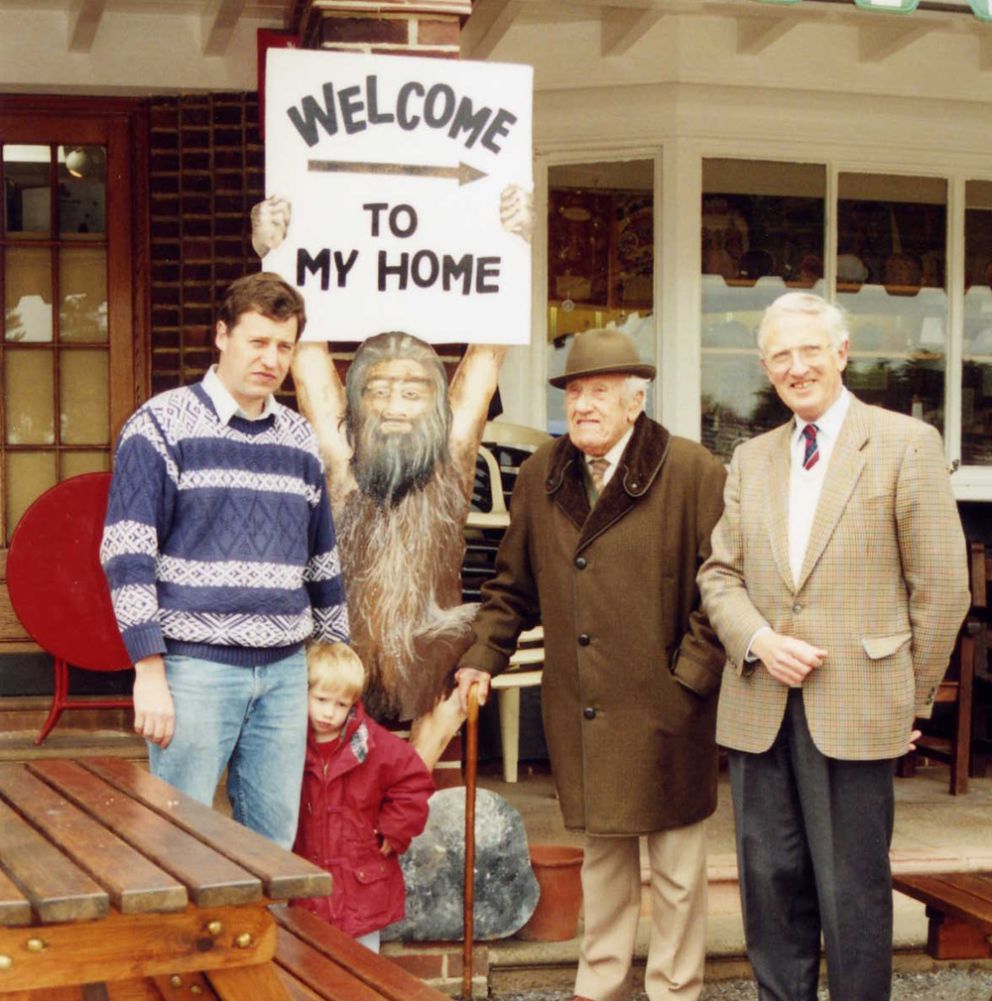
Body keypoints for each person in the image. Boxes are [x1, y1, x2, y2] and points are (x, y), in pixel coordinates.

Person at [697, 291, 970, 1001]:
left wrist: (909, 700)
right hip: (761, 705)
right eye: (780, 355)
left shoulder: (906, 444)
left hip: (859, 709)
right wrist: (757, 638)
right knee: (769, 887)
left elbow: (942, 589)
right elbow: (719, 574)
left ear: (841, 353)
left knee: (852, 896)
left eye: (809, 349)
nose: (796, 366)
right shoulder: (750, 458)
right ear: (765, 367)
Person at [454, 327, 727, 1001]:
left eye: (599, 392)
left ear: (635, 401)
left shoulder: (693, 472)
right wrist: (481, 655)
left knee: (676, 868)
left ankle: (674, 988)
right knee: (604, 857)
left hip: (667, 701)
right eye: (574, 391)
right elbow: (511, 585)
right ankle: (598, 982)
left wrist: (687, 680)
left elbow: (723, 588)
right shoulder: (544, 472)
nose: (582, 405)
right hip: (589, 700)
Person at [251, 194, 519, 767]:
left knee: (453, 660)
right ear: (358, 402)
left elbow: (487, 357)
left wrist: (511, 247)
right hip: (342, 643)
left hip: (431, 642)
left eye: (413, 391)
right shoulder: (341, 460)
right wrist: (277, 256)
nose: (395, 405)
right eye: (379, 391)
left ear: (437, 404)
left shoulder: (450, 457)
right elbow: (309, 359)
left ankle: (406, 784)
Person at [100, 272, 349, 848]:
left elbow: (321, 559)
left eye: (283, 346)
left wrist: (337, 660)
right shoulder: (159, 426)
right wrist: (149, 671)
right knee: (178, 842)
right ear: (221, 336)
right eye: (257, 341)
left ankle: (263, 943)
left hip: (286, 673)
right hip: (194, 671)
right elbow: (127, 552)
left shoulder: (298, 439)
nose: (270, 359)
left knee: (272, 847)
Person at [292, 642, 434, 953]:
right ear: (303, 692)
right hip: (307, 877)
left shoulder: (375, 745)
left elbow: (414, 783)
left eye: (341, 705)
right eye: (320, 699)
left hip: (360, 881)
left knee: (362, 965)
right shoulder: (287, 741)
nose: (329, 712)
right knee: (305, 961)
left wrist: (394, 828)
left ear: (355, 703)